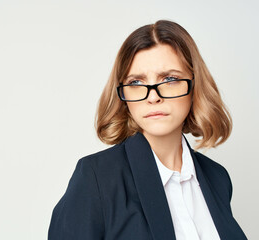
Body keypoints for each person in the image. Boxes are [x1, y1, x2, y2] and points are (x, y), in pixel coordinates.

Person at [48, 20, 247, 240]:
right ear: (123, 94)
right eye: (136, 82)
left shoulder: (217, 177)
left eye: (170, 79)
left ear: (195, 84)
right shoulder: (96, 178)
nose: (153, 96)